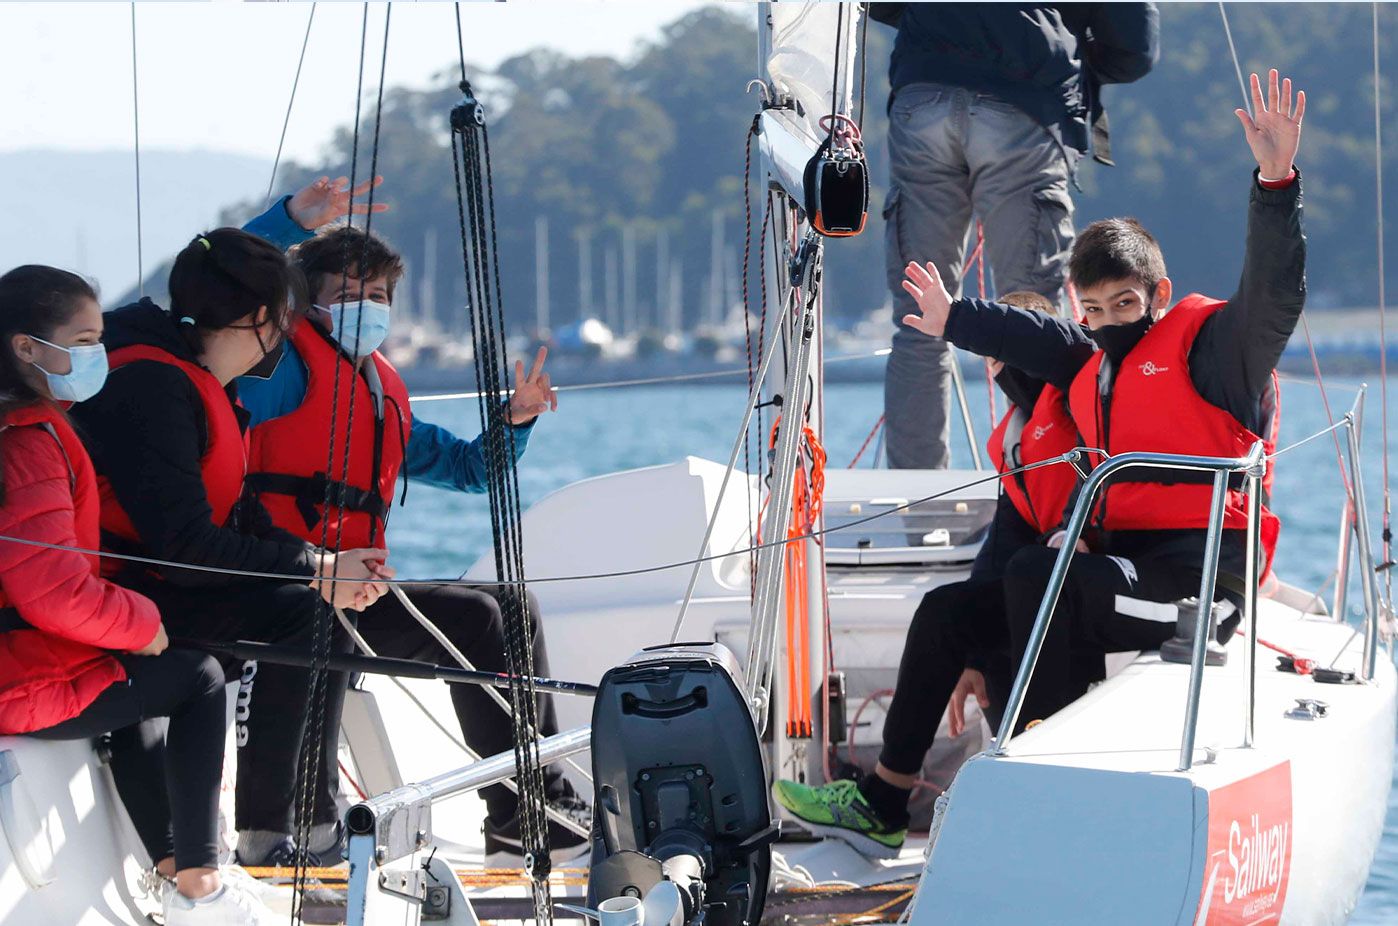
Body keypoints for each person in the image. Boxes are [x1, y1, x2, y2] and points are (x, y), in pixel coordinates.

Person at [776, 67, 1306, 859]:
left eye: (1125, 305)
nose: (1108, 323)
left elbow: (1272, 294)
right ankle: (883, 799)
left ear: (1157, 294)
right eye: (1092, 311)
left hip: (1202, 584)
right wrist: (953, 318)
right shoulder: (1089, 360)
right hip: (1122, 573)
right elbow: (1028, 337)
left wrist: (1274, 182)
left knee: (1039, 576)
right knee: (947, 613)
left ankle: (1039, 776)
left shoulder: (1216, 355)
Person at [235, 201, 587, 864]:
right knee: (468, 619)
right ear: (308, 303)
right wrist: (288, 225)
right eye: (347, 295)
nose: (366, 306)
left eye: (377, 295)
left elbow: (466, 469)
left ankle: (523, 809)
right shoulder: (278, 368)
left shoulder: (383, 390)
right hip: (283, 583)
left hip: (358, 589)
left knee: (507, 608)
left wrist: (514, 422)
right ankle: (301, 826)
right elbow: (235, 288)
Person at [70, 225, 391, 870]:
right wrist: (316, 571)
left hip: (164, 582)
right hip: (127, 593)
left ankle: (302, 818)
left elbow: (238, 515)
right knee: (304, 614)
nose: (282, 344)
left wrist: (323, 567)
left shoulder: (190, 374)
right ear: (259, 321)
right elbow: (184, 546)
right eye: (282, 328)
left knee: (316, 605)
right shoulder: (152, 388)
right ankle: (268, 834)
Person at [0, 265, 273, 924]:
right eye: (86, 340)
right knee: (197, 677)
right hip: (19, 679)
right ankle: (202, 889)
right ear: (26, 347)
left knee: (143, 679)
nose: (98, 356)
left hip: (24, 661)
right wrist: (140, 620)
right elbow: (53, 594)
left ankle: (178, 869)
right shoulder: (28, 444)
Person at [771, 291, 1080, 858]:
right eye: (990, 363)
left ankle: (1043, 807)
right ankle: (887, 804)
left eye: (1005, 354)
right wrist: (968, 654)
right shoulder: (1018, 434)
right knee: (950, 619)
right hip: (1032, 589)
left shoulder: (1079, 398)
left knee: (995, 612)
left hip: (1083, 588)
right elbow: (1006, 537)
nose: (1000, 372)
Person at [870, 3, 1159, 470]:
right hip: (1026, 101)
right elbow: (1134, 48)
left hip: (924, 95)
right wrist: (1062, 50)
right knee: (1030, 322)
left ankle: (919, 511)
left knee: (920, 318)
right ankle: (1040, 495)